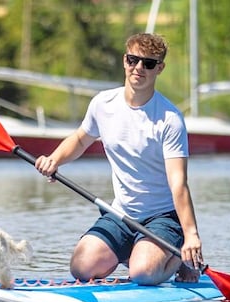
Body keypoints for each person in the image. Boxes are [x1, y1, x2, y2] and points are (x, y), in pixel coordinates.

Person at [35, 33, 202, 285]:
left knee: (143, 274)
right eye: (133, 60)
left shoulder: (170, 119)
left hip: (162, 217)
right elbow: (81, 139)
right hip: (121, 213)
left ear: (160, 68)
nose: (138, 68)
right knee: (81, 268)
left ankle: (180, 259)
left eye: (148, 63)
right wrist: (55, 159)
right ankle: (131, 251)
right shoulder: (103, 104)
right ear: (125, 61)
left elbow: (178, 183)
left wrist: (191, 235)